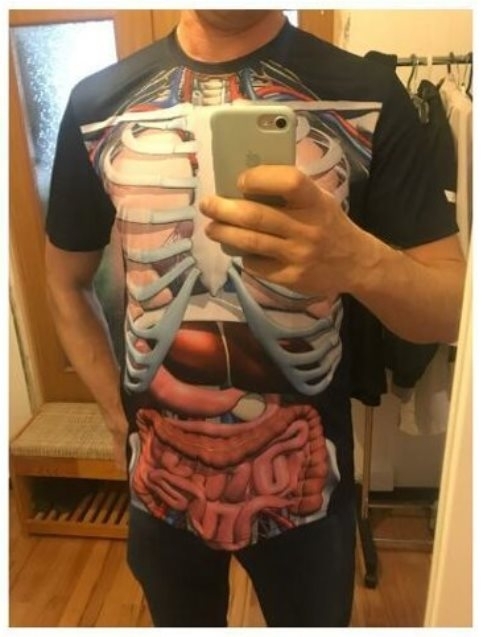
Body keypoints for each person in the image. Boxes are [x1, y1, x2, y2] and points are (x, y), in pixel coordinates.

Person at [44, 10, 465, 627]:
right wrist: (114, 411)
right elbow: (64, 281)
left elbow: (455, 308)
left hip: (308, 484)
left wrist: (359, 261)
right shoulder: (95, 104)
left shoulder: (371, 95)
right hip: (159, 479)